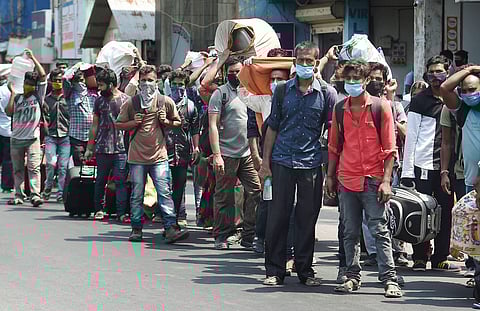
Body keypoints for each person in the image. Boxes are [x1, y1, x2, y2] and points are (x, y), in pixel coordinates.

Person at [259, 41, 336, 286]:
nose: (304, 64)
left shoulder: (327, 93)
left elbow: (333, 132)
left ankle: (305, 270)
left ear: (316, 64)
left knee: (307, 218)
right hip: (281, 161)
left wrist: (332, 171)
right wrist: (265, 163)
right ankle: (274, 270)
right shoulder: (282, 90)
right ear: (295, 63)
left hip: (311, 163)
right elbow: (272, 127)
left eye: (309, 61)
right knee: (278, 217)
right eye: (300, 60)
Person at [326, 60, 402, 297]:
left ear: (367, 81)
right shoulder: (340, 109)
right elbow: (334, 147)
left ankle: (389, 279)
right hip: (346, 179)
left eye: (356, 79)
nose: (352, 84)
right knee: (349, 231)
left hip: (373, 178)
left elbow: (390, 149)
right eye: (348, 80)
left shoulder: (381, 107)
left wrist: (387, 181)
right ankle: (351, 275)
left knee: (379, 230)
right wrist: (330, 176)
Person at [116, 65, 188, 243]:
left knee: (164, 192)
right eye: (144, 80)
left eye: (150, 80)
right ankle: (136, 229)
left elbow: (178, 122)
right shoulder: (131, 103)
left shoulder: (165, 101)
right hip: (137, 157)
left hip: (159, 156)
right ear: (139, 83)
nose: (147, 84)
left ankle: (170, 227)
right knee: (137, 193)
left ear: (157, 82)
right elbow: (118, 124)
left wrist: (166, 121)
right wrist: (133, 122)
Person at [401, 55, 458, 272]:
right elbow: (412, 136)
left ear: (448, 73)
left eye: (440, 71)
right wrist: (408, 172)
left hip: (449, 166)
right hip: (423, 165)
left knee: (445, 211)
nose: (435, 76)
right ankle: (419, 256)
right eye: (431, 72)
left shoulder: (454, 98)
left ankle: (440, 256)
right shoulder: (420, 100)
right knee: (421, 211)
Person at [208, 56, 261, 250]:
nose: (235, 75)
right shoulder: (220, 94)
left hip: (247, 153)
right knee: (224, 196)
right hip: (226, 154)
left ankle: (248, 235)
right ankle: (221, 235)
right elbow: (212, 125)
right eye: (231, 72)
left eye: (238, 71)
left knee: (256, 192)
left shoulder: (251, 92)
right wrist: (217, 155)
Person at [362, 62, 409, 267]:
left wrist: (388, 105)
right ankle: (373, 252)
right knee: (368, 213)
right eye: (371, 78)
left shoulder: (395, 105)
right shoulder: (359, 104)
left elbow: (405, 133)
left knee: (392, 210)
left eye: (379, 78)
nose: (375, 82)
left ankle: (397, 250)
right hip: (366, 166)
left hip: (391, 166)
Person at [84, 68, 129, 221]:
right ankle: (98, 209)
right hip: (102, 148)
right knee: (100, 180)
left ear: (111, 84)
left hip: (121, 149)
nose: (99, 88)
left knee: (120, 182)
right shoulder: (99, 101)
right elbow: (94, 125)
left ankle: (121, 213)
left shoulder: (126, 100)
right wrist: (90, 147)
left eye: (102, 85)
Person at [5, 49, 47, 207]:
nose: (27, 86)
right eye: (26, 83)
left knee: (34, 168)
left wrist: (33, 57)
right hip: (16, 139)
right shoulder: (18, 97)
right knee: (17, 169)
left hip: (32, 139)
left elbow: (42, 76)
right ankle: (19, 195)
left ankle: (35, 195)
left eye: (30, 84)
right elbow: (9, 112)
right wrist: (12, 94)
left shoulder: (38, 96)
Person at [166, 70, 200, 228]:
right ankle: (167, 216)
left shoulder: (191, 107)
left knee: (179, 186)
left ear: (185, 86)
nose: (177, 87)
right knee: (164, 186)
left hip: (182, 152)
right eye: (174, 84)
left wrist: (196, 147)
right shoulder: (163, 103)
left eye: (180, 85)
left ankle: (175, 218)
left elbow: (194, 130)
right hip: (162, 152)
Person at [441, 65, 480, 195]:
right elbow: (445, 88)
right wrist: (469, 70)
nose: (469, 94)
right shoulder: (464, 111)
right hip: (472, 184)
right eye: (465, 91)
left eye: (472, 89)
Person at [42, 68, 70, 203]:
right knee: (51, 164)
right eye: (55, 81)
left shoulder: (68, 98)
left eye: (60, 80)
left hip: (65, 135)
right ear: (51, 82)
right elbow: (44, 119)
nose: (58, 83)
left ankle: (60, 193)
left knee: (63, 167)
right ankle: (47, 187)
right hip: (51, 136)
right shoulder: (46, 100)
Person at [64, 65, 98, 166]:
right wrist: (76, 67)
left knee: (93, 164)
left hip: (92, 136)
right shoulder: (70, 94)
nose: (80, 83)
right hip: (76, 136)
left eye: (82, 80)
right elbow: (65, 79)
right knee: (80, 164)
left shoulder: (94, 94)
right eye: (77, 81)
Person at [0, 77, 13, 193]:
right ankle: (6, 185)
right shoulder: (16, 92)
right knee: (8, 160)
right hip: (10, 130)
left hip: (2, 128)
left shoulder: (1, 91)